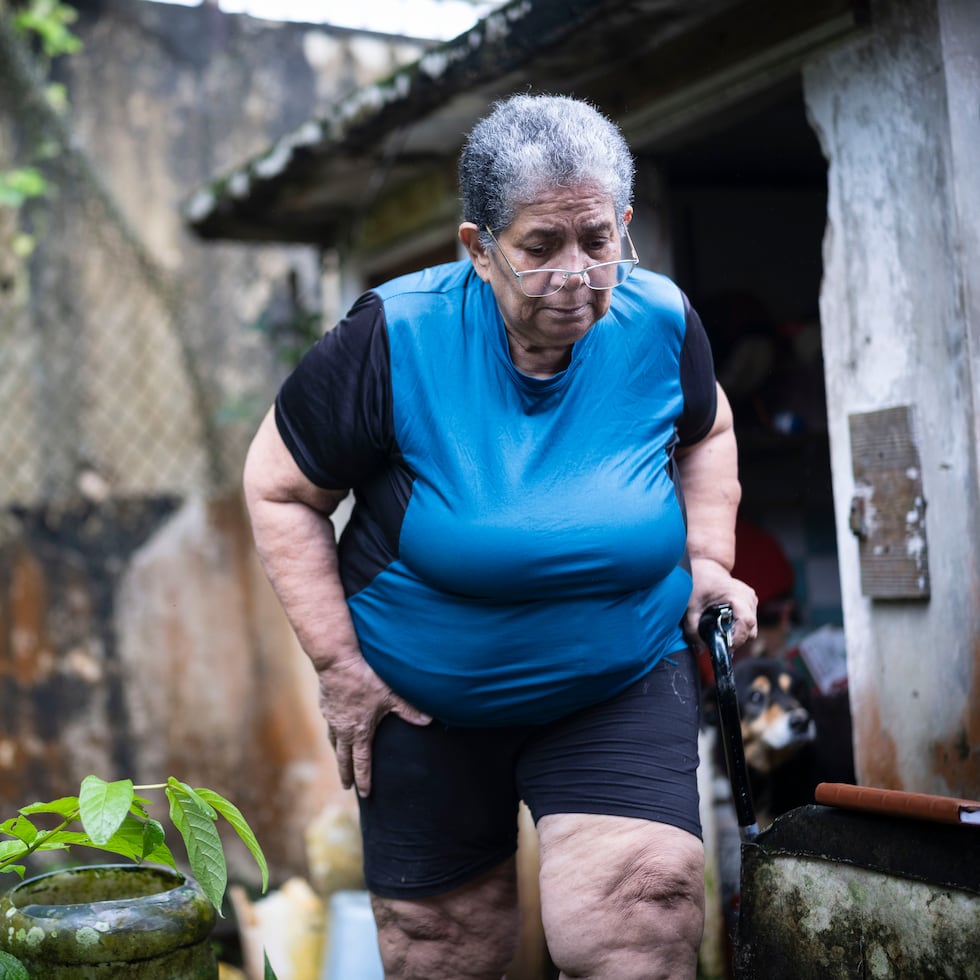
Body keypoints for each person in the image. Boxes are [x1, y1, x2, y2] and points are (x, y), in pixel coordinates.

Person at [243, 93, 758, 980]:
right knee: (443, 947)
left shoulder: (661, 321)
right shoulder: (395, 338)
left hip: (620, 674)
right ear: (478, 249)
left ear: (624, 224)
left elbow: (708, 430)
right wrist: (339, 667)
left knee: (643, 914)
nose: (576, 274)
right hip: (421, 697)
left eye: (597, 240)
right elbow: (279, 489)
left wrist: (709, 559)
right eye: (539, 247)